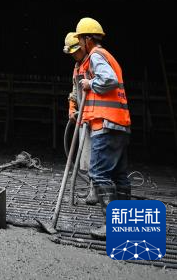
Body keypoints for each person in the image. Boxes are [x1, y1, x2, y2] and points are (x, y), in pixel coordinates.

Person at [76, 17, 132, 239]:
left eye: (80, 39)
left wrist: (90, 84)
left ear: (88, 39)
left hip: (106, 125)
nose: (80, 43)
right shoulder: (109, 56)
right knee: (119, 176)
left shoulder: (96, 56)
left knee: (98, 173)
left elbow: (107, 80)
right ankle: (125, 224)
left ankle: (111, 227)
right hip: (119, 124)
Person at [63, 31, 96, 204]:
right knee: (86, 157)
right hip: (83, 117)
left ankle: (96, 192)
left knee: (95, 157)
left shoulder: (92, 62)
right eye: (72, 53)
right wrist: (72, 106)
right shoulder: (77, 67)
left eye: (76, 51)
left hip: (95, 116)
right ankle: (93, 191)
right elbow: (75, 90)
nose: (74, 55)